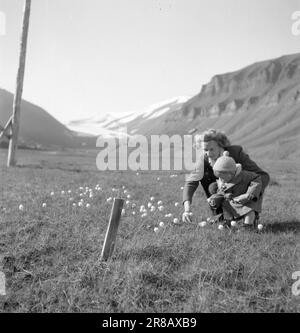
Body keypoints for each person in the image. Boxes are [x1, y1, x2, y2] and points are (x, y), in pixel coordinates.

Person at [182, 129, 270, 223]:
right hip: (221, 194)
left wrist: (249, 194)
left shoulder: (236, 154)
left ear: (220, 146)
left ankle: (249, 214)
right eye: (205, 150)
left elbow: (263, 176)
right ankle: (221, 213)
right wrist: (187, 210)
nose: (209, 154)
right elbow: (191, 183)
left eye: (212, 149)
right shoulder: (203, 159)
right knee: (209, 182)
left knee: (248, 213)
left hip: (242, 193)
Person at [207, 152, 262, 225]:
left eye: (222, 177)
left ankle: (248, 226)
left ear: (231, 173)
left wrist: (249, 194)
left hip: (247, 200)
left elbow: (257, 179)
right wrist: (215, 199)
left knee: (249, 211)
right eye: (219, 177)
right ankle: (228, 223)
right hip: (233, 201)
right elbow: (221, 193)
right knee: (227, 208)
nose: (221, 180)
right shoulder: (222, 180)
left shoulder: (244, 176)